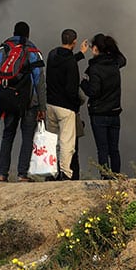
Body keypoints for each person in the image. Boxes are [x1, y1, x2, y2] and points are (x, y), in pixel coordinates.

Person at [0, 21, 46, 182]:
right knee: (27, 137)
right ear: (28, 34)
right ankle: (22, 174)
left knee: (7, 135)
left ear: (14, 32)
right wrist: (42, 106)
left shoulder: (2, 50)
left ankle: (2, 174)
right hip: (29, 102)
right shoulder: (33, 52)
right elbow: (39, 81)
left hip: (8, 99)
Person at [80, 34, 126, 176]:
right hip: (114, 113)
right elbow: (122, 59)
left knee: (103, 149)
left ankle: (105, 178)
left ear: (95, 49)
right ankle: (117, 176)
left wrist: (83, 84)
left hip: (99, 114)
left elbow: (94, 92)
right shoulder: (115, 64)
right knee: (114, 149)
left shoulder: (95, 68)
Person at [45, 29, 88, 180]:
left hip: (50, 105)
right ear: (74, 42)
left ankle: (51, 172)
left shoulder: (52, 54)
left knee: (52, 140)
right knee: (66, 142)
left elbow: (65, 62)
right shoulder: (71, 63)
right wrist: (76, 105)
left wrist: (80, 54)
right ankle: (65, 173)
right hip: (66, 107)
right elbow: (71, 88)